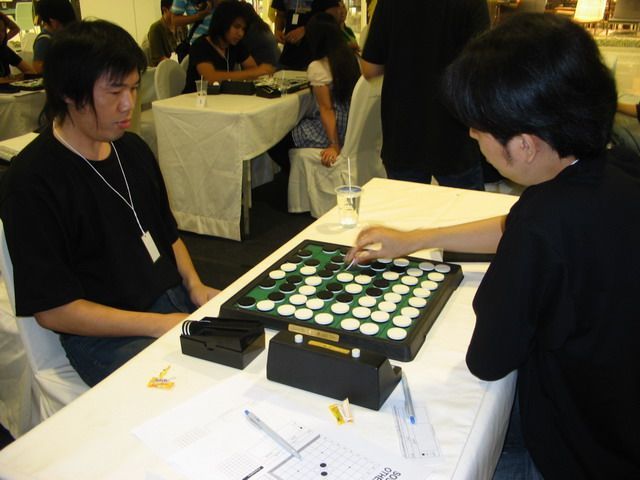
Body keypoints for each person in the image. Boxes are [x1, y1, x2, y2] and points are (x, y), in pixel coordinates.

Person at [347, 13, 640, 479]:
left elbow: (487, 360)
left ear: (524, 145)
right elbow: (516, 224)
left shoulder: (542, 222)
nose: (470, 135)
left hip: (578, 448)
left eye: (479, 128)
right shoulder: (615, 167)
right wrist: (418, 238)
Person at [0, 19, 219, 388]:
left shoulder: (131, 149)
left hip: (171, 301)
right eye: (115, 91)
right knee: (195, 394)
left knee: (255, 356)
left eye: (133, 88)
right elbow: (53, 310)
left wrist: (195, 285)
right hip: (106, 337)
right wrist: (159, 325)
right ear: (69, 94)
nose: (129, 104)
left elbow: (168, 235)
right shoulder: (32, 181)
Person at [361, 0, 490, 189]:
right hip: (455, 129)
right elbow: (482, 67)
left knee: (408, 206)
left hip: (404, 129)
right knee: (465, 205)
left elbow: (369, 68)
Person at [291, 13, 360, 166]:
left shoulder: (318, 67)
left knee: (280, 138)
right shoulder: (352, 59)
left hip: (335, 131)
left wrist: (334, 145)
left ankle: (297, 174)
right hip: (352, 128)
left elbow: (326, 109)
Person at [183, 0, 274, 92]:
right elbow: (210, 78)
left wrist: (257, 72)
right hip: (195, 98)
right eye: (236, 27)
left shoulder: (235, 45)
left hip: (223, 98)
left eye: (243, 29)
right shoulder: (200, 46)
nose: (240, 33)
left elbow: (252, 67)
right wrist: (253, 73)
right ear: (222, 24)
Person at [32, 0, 77, 74]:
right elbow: (38, 68)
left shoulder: (63, 37)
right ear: (54, 22)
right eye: (65, 24)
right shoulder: (44, 41)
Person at [271, 0, 313, 70]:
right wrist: (278, 30)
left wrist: (305, 29)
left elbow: (330, 18)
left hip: (314, 55)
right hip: (288, 54)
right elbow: (280, 14)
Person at [239, 1, 280, 67]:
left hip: (269, 69)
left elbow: (240, 53)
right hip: (277, 66)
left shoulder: (252, 31)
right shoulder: (261, 26)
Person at [0, 13, 35, 81]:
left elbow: (30, 71)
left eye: (2, 30)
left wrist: (14, 78)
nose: (1, 35)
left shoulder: (4, 49)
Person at [147, 0, 179, 66]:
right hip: (166, 69)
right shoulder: (156, 29)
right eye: (176, 9)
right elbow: (159, 59)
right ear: (165, 10)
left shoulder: (181, 26)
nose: (180, 12)